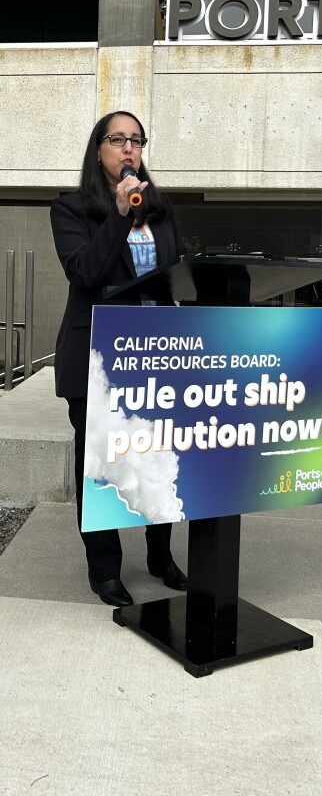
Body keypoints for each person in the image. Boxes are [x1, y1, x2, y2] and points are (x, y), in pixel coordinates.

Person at [50, 110, 188, 607]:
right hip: (97, 363)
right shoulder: (70, 210)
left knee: (157, 459)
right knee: (101, 466)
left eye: (136, 140)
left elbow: (177, 276)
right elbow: (85, 272)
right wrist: (118, 212)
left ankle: (160, 557)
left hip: (158, 360)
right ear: (99, 150)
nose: (128, 148)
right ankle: (104, 568)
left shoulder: (162, 212)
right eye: (117, 139)